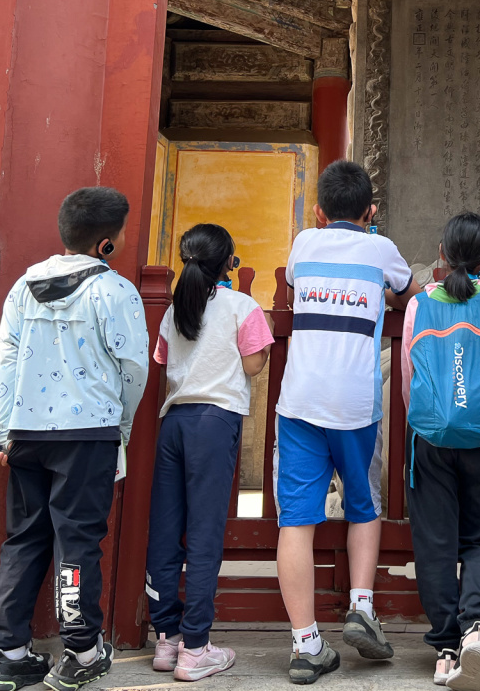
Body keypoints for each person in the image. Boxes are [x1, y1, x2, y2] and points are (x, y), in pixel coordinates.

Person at [0, 187, 150, 691]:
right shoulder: (115, 291)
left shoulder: (23, 286)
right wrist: (121, 425)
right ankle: (81, 650)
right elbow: (133, 369)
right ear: (106, 244)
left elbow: (8, 360)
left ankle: (8, 653)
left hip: (26, 432)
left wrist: (3, 432)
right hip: (87, 433)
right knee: (77, 541)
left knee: (24, 538)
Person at [274, 160, 420, 684]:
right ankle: (361, 606)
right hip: (355, 403)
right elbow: (407, 291)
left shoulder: (303, 245)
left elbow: (295, 282)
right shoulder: (381, 250)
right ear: (371, 212)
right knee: (363, 505)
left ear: (318, 211)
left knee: (296, 521)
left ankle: (306, 644)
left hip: (299, 402)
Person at [145, 224, 274, 681]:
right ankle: (197, 647)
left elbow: (163, 362)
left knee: (166, 530)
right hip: (215, 424)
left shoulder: (175, 309)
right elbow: (254, 364)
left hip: (174, 422)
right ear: (228, 264)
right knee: (204, 534)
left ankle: (167, 638)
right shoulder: (241, 306)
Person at [399, 213, 480, 691]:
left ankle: (447, 648)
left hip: (432, 439)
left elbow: (409, 379)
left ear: (441, 255)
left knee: (435, 543)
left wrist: (430, 418)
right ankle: (478, 627)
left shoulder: (419, 305)